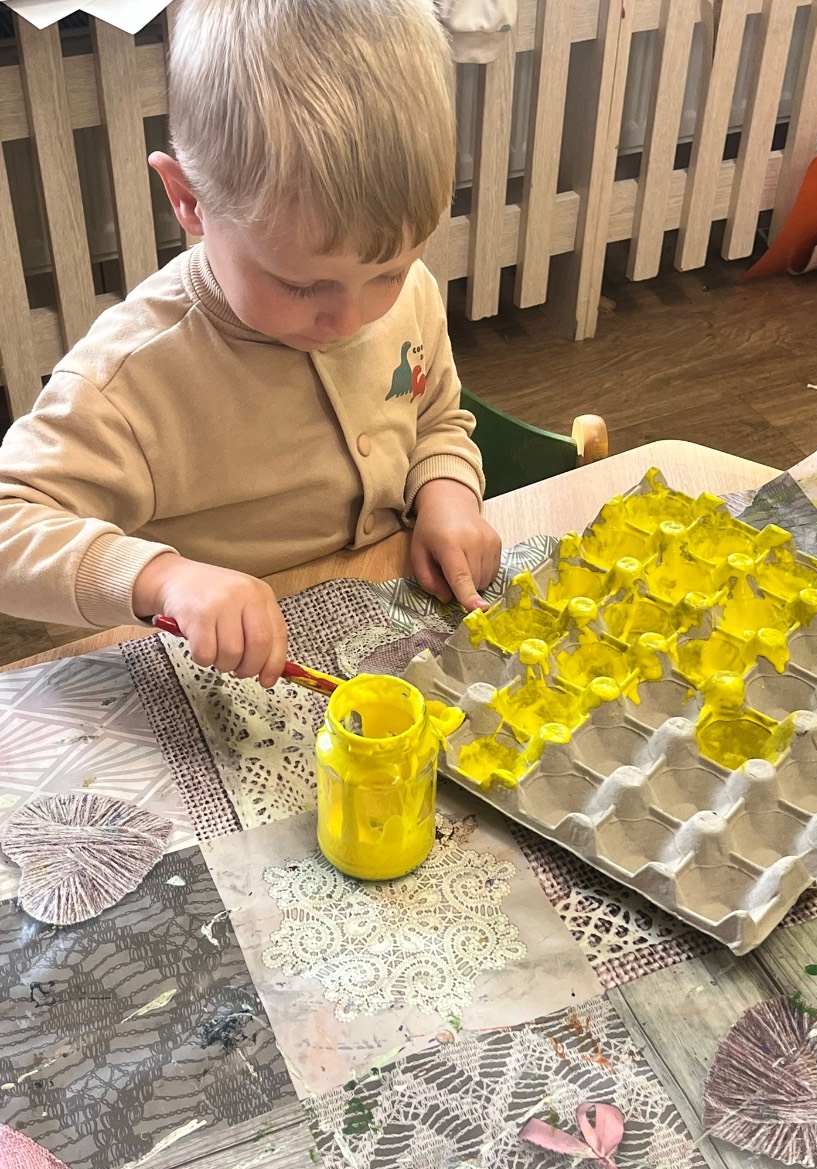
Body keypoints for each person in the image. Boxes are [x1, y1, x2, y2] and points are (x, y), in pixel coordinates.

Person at [0, 0, 501, 688]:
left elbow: (436, 418)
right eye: (302, 285)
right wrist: (165, 579)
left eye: (387, 272)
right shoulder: (129, 378)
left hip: (386, 615)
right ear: (188, 200)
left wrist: (447, 490)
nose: (350, 318)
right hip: (225, 671)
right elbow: (9, 529)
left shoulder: (407, 292)